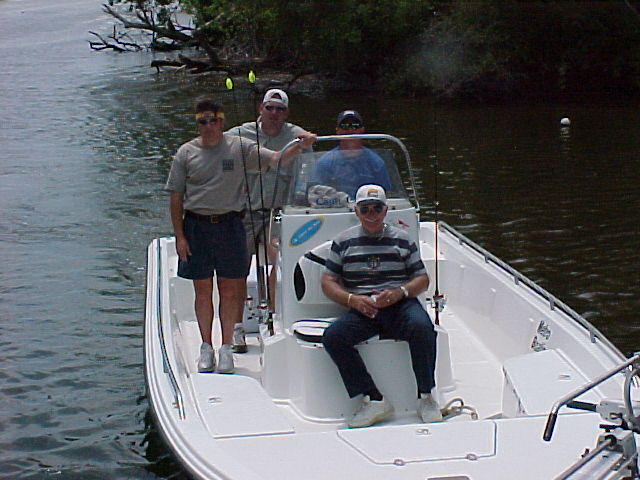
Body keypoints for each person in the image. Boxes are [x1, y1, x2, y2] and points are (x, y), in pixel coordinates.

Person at [165, 97, 316, 374]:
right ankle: (206, 347)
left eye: (213, 120)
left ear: (221, 122)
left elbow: (276, 160)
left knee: (230, 288)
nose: (208, 126)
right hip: (197, 226)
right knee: (202, 290)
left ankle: (226, 348)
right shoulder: (185, 153)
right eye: (202, 121)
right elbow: (176, 197)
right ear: (197, 124)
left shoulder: (240, 147)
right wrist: (180, 236)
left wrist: (299, 146)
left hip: (232, 224)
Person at [321, 185, 441, 428]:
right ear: (356, 212)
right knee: (333, 337)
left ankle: (426, 396)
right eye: (365, 209)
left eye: (377, 208)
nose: (371, 214)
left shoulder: (403, 239)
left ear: (385, 211)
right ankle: (374, 399)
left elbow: (422, 279)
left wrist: (399, 293)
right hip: (363, 308)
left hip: (401, 305)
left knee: (423, 328)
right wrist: (352, 300)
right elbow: (328, 281)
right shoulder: (343, 242)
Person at [227, 89, 309, 350]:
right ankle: (236, 327)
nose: (274, 113)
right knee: (237, 267)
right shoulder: (239, 134)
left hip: (279, 213)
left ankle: (275, 317)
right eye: (269, 108)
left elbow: (307, 160)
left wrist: (307, 141)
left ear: (287, 113)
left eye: (280, 109)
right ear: (260, 109)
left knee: (282, 260)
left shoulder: (294, 135)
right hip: (245, 211)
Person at [310, 110, 391, 199]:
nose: (350, 130)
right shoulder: (325, 162)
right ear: (338, 130)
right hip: (336, 206)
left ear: (362, 130)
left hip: (367, 206)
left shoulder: (376, 162)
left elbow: (386, 193)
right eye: (344, 126)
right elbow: (316, 193)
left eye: (355, 126)